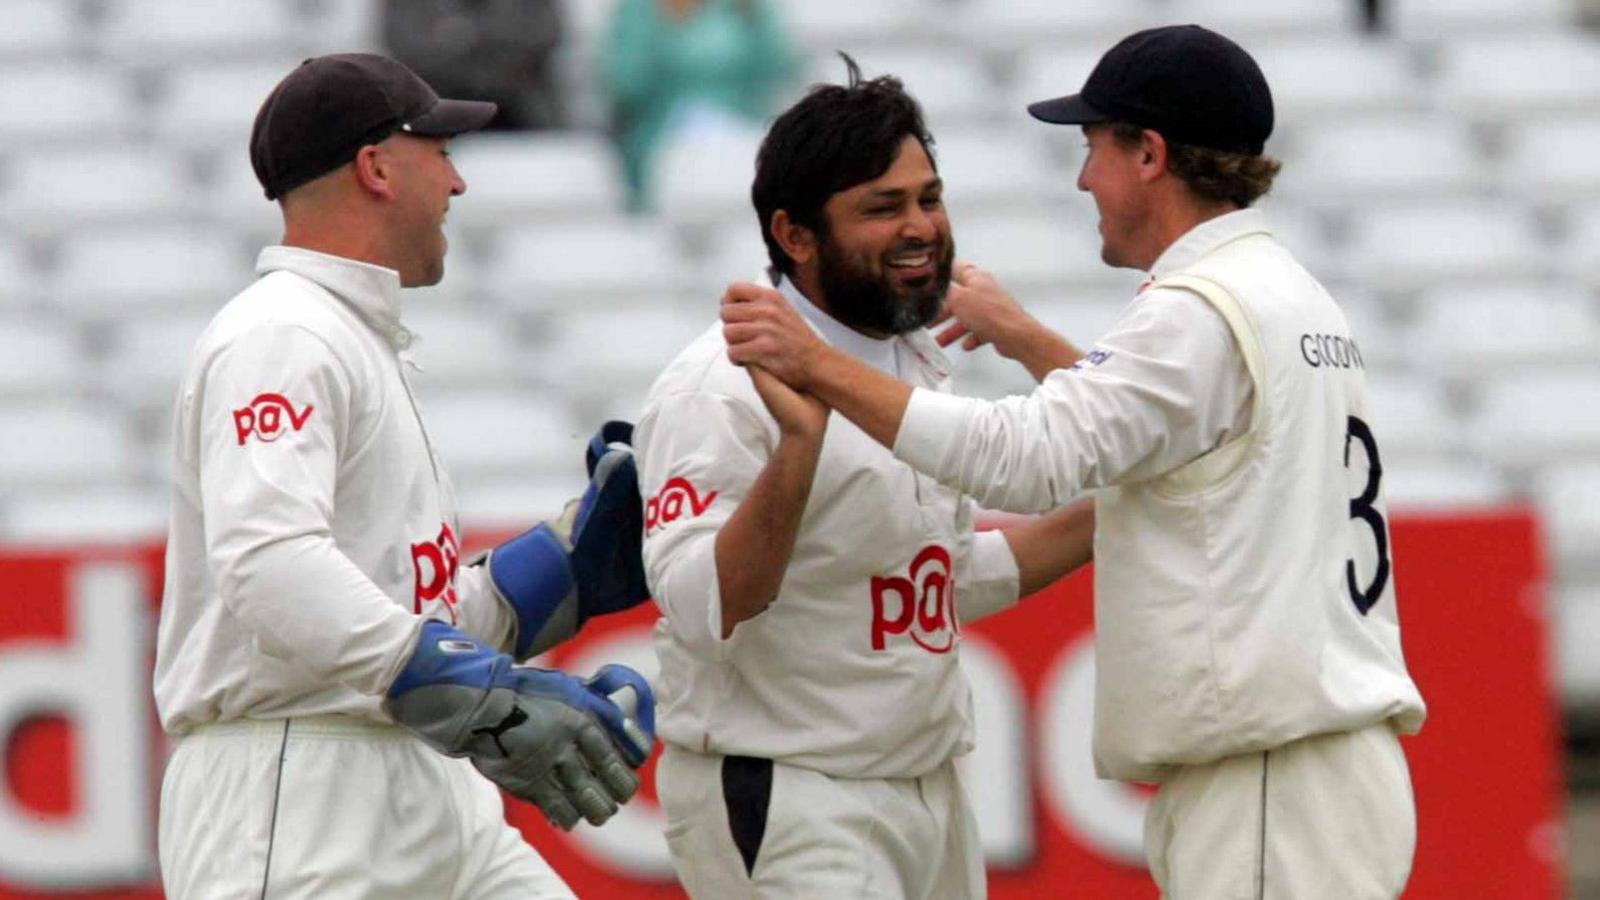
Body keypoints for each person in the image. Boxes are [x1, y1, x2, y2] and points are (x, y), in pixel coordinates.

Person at [721, 26, 1428, 900]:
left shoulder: (1194, 312)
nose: (1083, 175)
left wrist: (815, 362)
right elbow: (1160, 434)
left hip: (1270, 769)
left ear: (1150, 154)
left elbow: (1029, 459)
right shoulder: (1282, 293)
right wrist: (1028, 341)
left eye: (1093, 146)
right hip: (1304, 765)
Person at [153, 53, 656, 900]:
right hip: (298, 787)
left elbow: (396, 609)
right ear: (376, 167)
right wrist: (463, 683)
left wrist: (555, 575)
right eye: (440, 149)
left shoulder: (350, 338)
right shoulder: (283, 335)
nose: (457, 181)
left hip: (419, 774)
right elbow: (268, 563)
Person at [634, 59, 1095, 899]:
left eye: (929, 197)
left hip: (930, 788)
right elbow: (708, 606)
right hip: (794, 794)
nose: (920, 227)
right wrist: (797, 452)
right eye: (883, 208)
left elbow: (939, 584)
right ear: (795, 235)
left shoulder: (913, 358)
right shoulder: (719, 383)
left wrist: (1118, 511)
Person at [600, 0, 799, 212]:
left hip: (741, 130)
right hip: (663, 136)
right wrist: (664, 23)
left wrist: (755, 16)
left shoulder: (744, 7)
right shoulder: (638, 8)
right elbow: (625, 85)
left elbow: (780, 68)